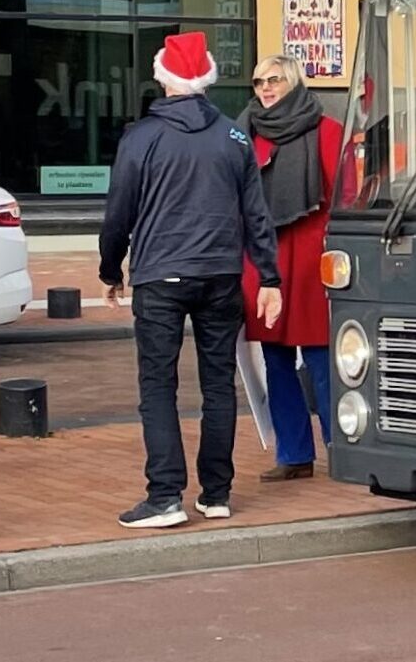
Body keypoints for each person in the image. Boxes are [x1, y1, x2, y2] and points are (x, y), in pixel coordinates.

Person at [99, 31, 282, 530]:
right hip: (221, 273)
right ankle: (216, 493)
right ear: (205, 79)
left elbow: (119, 213)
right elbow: (256, 214)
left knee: (158, 385)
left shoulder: (141, 138)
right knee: (218, 383)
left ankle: (165, 496)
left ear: (162, 77)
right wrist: (269, 277)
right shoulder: (234, 137)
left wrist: (110, 269)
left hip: (161, 272)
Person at [241, 53, 344, 479]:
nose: (265, 88)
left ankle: (343, 449)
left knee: (323, 359)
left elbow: (343, 196)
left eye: (274, 80)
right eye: (259, 81)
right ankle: (294, 454)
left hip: (312, 259)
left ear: (294, 82)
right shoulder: (244, 132)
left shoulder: (327, 130)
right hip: (264, 261)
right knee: (275, 360)